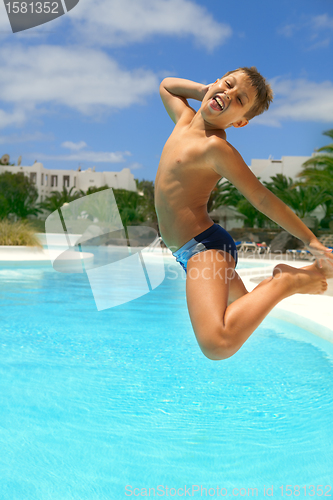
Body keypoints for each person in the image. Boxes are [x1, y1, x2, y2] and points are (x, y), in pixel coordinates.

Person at [154, 67, 333, 361]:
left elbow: (262, 198)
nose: (228, 94)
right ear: (215, 81)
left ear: (240, 122)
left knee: (218, 342)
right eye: (227, 84)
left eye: (239, 99)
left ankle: (285, 281)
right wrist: (205, 90)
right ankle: (309, 276)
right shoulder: (184, 120)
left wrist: (310, 239)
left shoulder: (216, 148)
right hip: (189, 250)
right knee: (243, 306)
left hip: (204, 247)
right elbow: (166, 86)